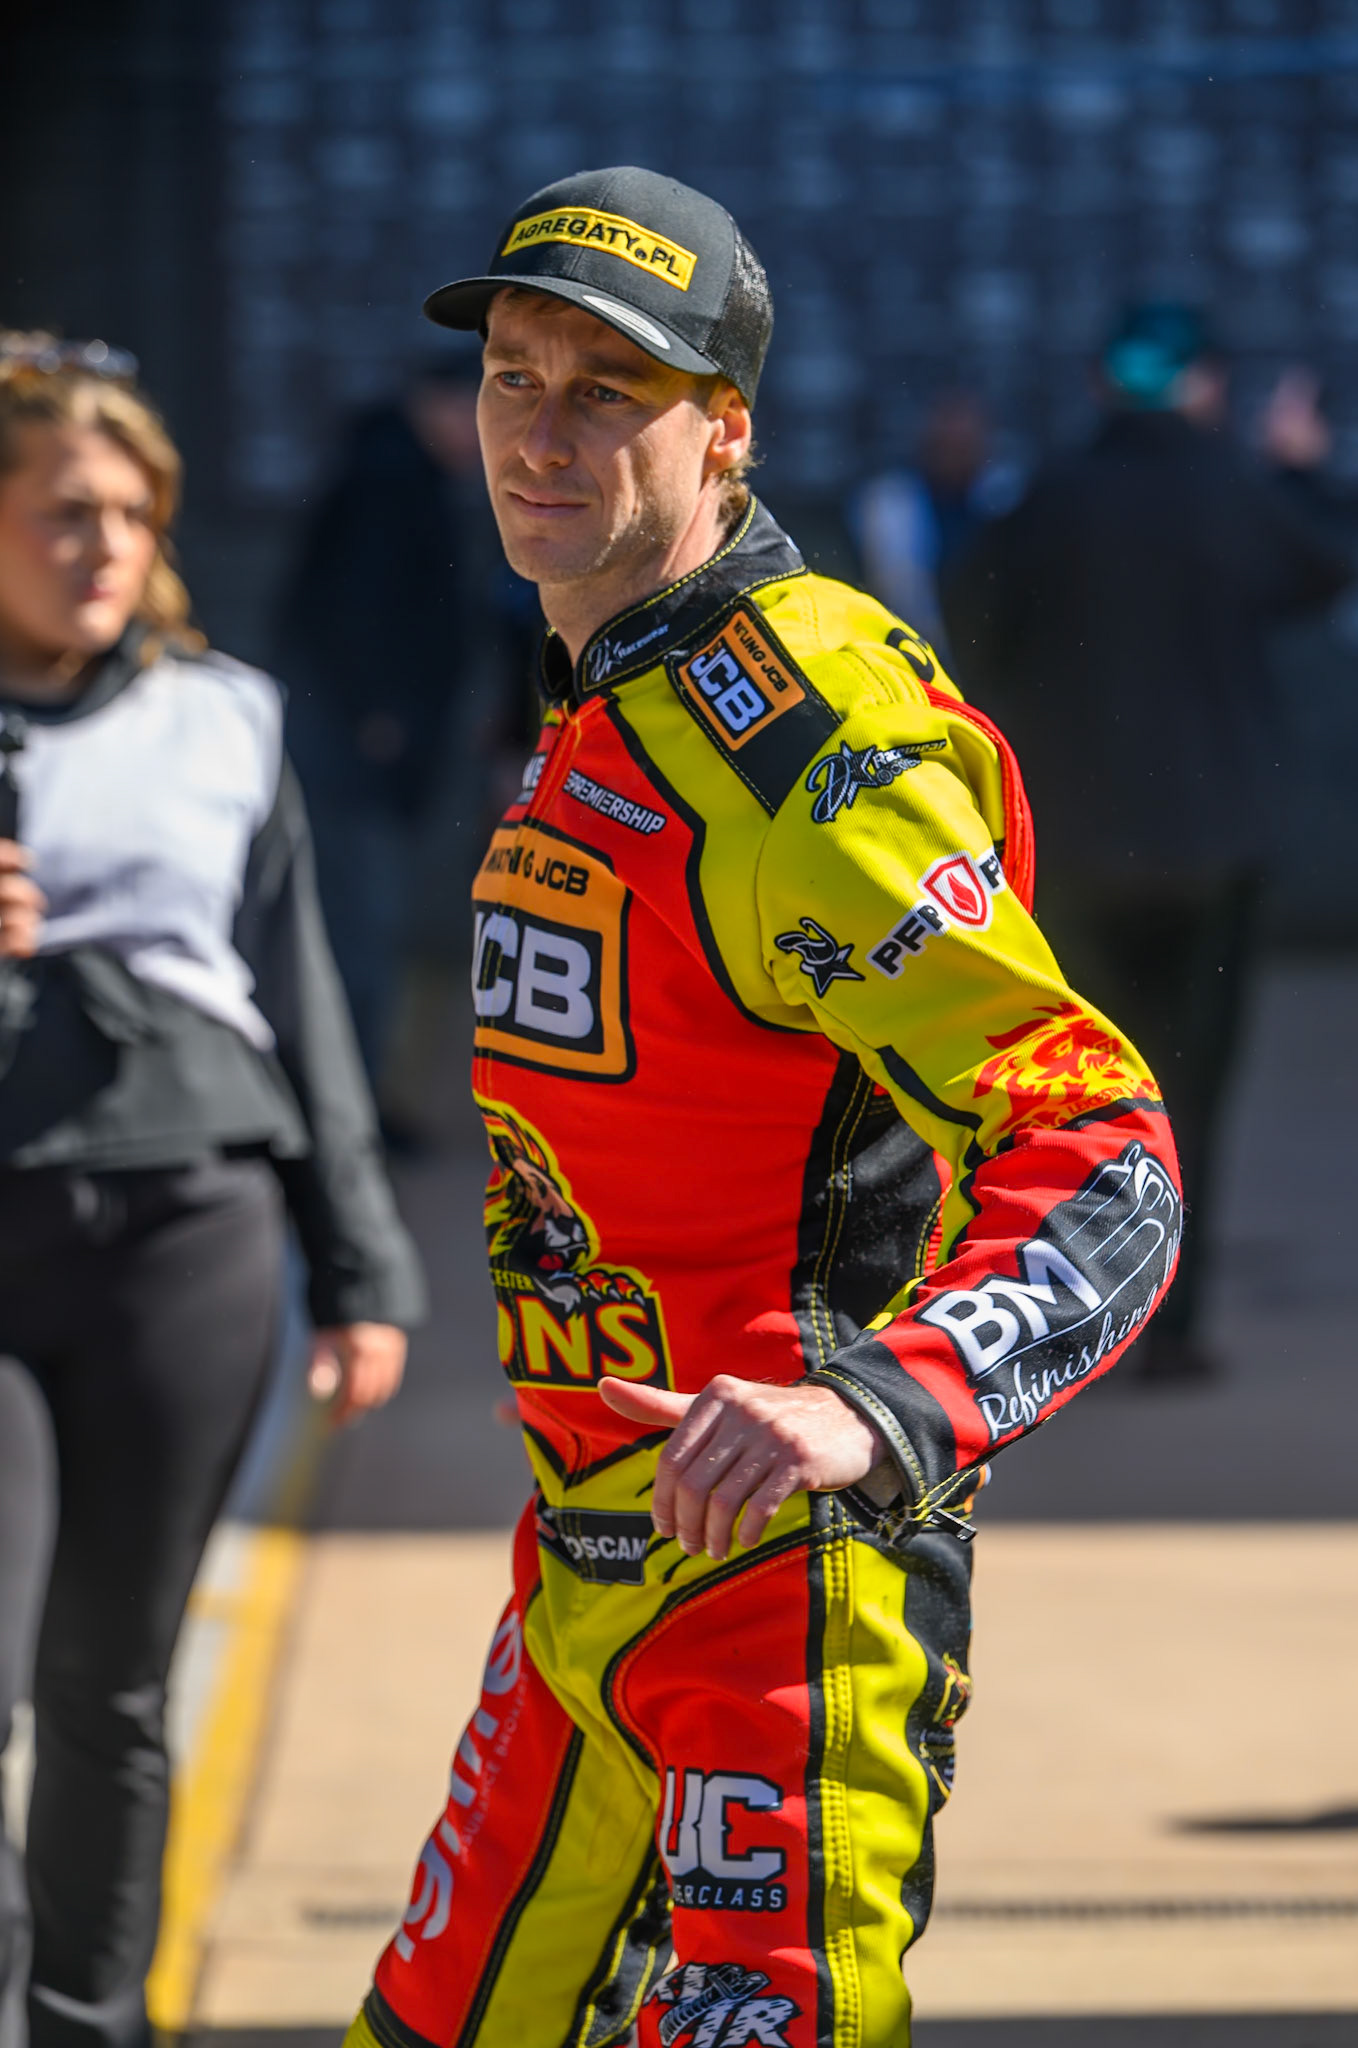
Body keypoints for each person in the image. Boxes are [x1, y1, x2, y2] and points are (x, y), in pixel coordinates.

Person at [344, 169, 1181, 2048]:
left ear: (724, 430)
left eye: (603, 394)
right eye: (511, 376)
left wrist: (874, 1402)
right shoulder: (597, 681)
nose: (537, 436)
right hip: (577, 1577)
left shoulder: (800, 733)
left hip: (786, 1606)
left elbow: (1103, 1144)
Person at [0, 332, 425, 2048]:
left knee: (110, 1687)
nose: (100, 543)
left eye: (126, 510)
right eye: (56, 511)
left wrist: (364, 1268)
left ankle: (93, 2025)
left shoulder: (225, 718)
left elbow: (301, 997)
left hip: (187, 1224)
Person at [942, 303, 1354, 1381]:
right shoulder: (1239, 494)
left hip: (1073, 846)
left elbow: (969, 614)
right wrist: (1299, 468)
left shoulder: (1050, 500)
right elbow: (1326, 565)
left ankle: (1077, 1324)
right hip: (1218, 847)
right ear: (1210, 386)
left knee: (1077, 1093)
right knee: (1194, 1092)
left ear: (1099, 384)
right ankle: (1172, 1326)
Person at [275, 353, 538, 1092]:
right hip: (351, 755)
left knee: (371, 930)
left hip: (377, 749)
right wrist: (378, 717)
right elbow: (351, 616)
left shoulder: (412, 477)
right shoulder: (386, 480)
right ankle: (345, 1102)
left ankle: (359, 1096)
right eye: (469, 410)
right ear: (433, 405)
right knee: (359, 929)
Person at [848, 389, 1021, 651]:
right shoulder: (888, 503)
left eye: (963, 446)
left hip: (994, 643)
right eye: (945, 444)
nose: (953, 454)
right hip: (910, 643)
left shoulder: (1008, 498)